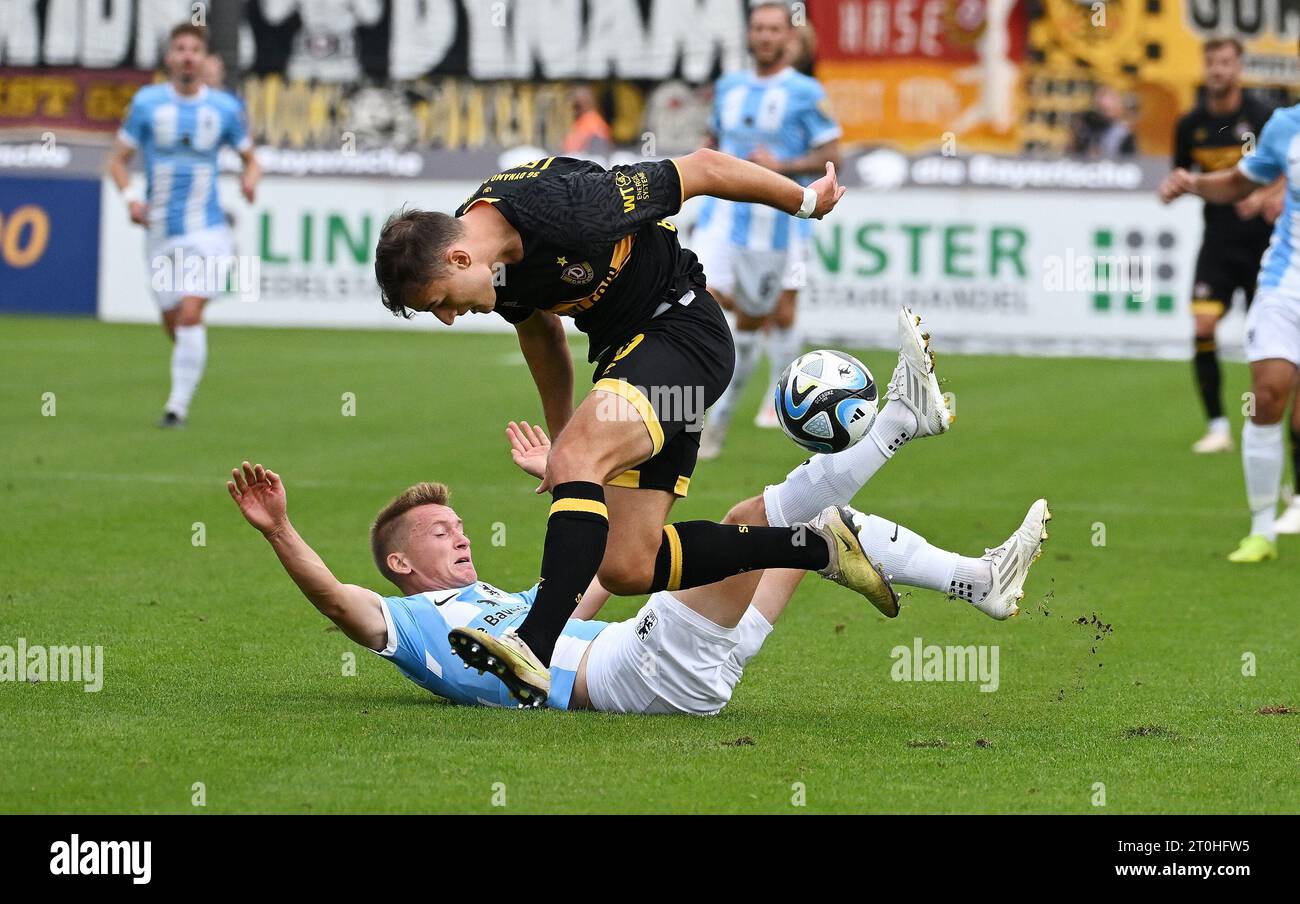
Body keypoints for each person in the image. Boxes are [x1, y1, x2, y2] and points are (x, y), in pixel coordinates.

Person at [226, 312, 1049, 714]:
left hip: (657, 654)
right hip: (642, 673)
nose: (462, 534)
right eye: (441, 534)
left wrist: (565, 478)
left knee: (817, 533)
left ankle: (979, 581)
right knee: (751, 521)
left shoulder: (504, 609)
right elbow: (340, 602)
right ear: (402, 564)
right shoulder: (409, 622)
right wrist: (280, 531)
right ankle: (901, 422)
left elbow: (604, 578)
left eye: (458, 523)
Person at [371, 132, 943, 704]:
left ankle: (534, 647)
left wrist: (805, 202)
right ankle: (818, 549)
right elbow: (541, 337)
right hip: (631, 361)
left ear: (458, 257)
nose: (448, 318)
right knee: (627, 564)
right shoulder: (498, 264)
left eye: (440, 302)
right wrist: (566, 450)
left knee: (584, 466)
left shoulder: (568, 208)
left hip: (684, 335)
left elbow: (702, 169)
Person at [694, 1, 843, 458]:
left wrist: (783, 167)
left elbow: (832, 153)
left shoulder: (805, 91)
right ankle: (694, 414)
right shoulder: (729, 87)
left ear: (788, 37)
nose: (763, 36)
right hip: (720, 218)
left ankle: (726, 417)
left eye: (773, 29)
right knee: (693, 299)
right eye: (757, 28)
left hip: (777, 225)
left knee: (765, 318)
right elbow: (714, 141)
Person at [1160, 96, 1300, 562]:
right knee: (1268, 394)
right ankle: (1262, 531)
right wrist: (1195, 183)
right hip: (1286, 283)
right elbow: (1240, 182)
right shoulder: (1285, 125)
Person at [106, 23, 260, 428]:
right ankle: (188, 375)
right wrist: (130, 200)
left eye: (195, 49)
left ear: (204, 58)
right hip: (158, 232)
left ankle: (176, 409)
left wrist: (249, 181)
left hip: (206, 230)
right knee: (174, 321)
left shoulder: (224, 108)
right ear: (169, 58)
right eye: (180, 48)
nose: (188, 55)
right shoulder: (147, 104)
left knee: (190, 313)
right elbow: (117, 161)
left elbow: (251, 159)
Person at [1160, 38, 1277, 455]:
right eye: (1212, 62)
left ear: (1238, 66)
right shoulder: (1190, 125)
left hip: (1265, 248)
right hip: (1218, 243)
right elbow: (1182, 176)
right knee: (1203, 327)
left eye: (1226, 62)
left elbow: (1287, 174)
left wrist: (1262, 198)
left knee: (1267, 343)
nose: (1218, 70)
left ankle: (1270, 425)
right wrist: (1172, 189)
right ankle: (1217, 426)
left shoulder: (1263, 118)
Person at [561, 85, 613, 156]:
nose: (574, 108)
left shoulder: (594, 122)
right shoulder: (580, 121)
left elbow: (599, 153)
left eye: (578, 104)